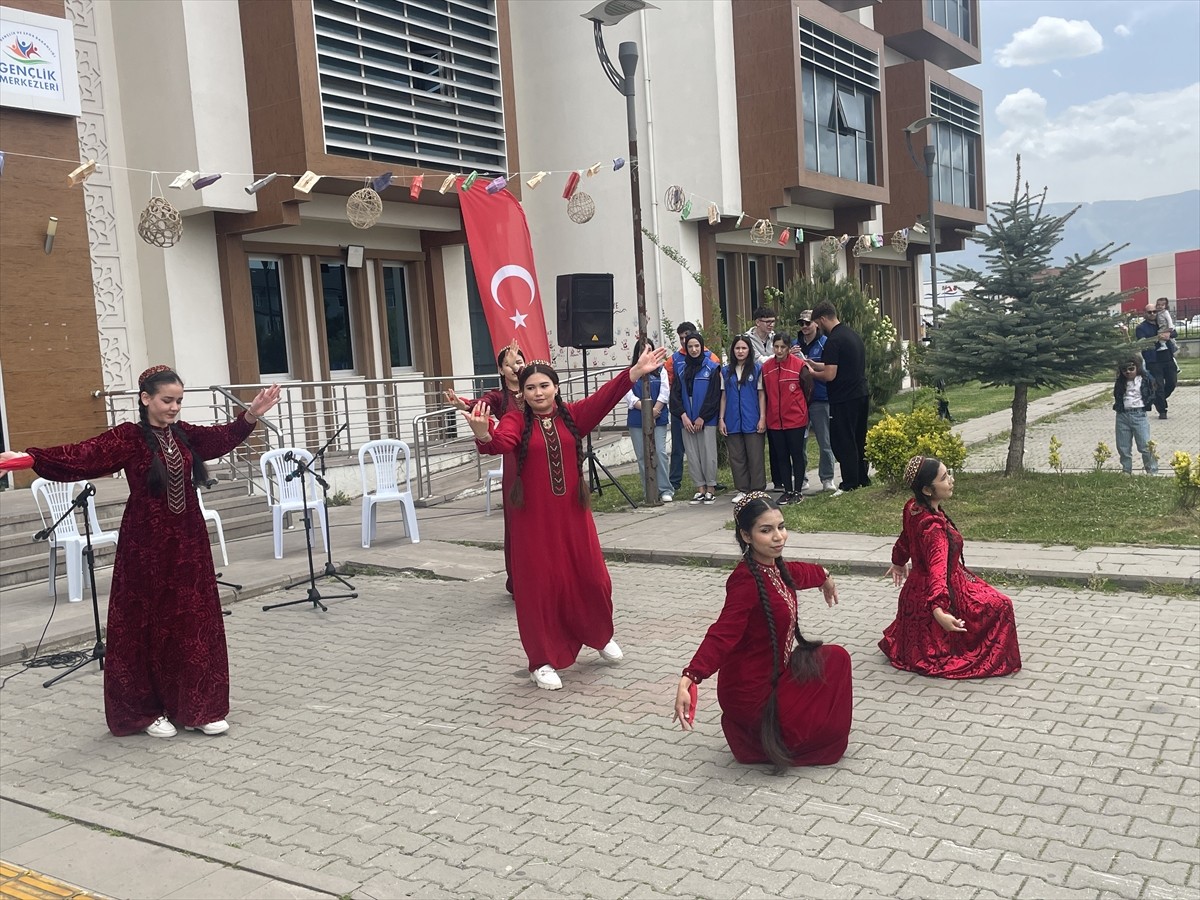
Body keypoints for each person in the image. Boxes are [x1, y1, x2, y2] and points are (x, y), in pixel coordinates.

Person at [0, 366, 281, 737]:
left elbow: (221, 438)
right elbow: (83, 454)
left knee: (192, 621)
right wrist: (32, 459)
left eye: (179, 400)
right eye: (167, 400)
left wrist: (250, 414)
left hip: (188, 542)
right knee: (146, 624)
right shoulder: (129, 438)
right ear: (146, 398)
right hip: (146, 544)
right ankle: (146, 712)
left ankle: (196, 707)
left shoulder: (184, 435)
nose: (174, 407)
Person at [464, 343, 668, 691]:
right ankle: (541, 661)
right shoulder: (515, 419)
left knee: (593, 579)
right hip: (533, 521)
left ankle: (599, 636)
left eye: (544, 385)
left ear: (556, 387)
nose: (537, 393)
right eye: (530, 388)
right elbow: (499, 442)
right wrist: (483, 432)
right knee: (539, 589)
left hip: (574, 516)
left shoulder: (572, 416)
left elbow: (604, 398)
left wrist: (634, 372)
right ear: (523, 393)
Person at [672, 492, 851, 771]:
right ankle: (760, 734)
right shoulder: (745, 581)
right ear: (746, 535)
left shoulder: (773, 568)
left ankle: (766, 734)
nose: (778, 536)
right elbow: (722, 633)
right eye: (766, 530)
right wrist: (690, 677)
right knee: (821, 717)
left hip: (775, 675)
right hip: (750, 693)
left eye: (781, 527)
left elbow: (798, 573)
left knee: (836, 658)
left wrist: (824, 576)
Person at [880, 456, 1022, 679]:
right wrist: (939, 609)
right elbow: (938, 571)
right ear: (927, 489)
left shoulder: (913, 507)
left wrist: (898, 561)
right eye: (945, 478)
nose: (951, 480)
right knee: (1003, 605)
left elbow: (905, 539)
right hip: (943, 590)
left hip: (914, 594)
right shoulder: (935, 530)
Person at [445, 343, 525, 591]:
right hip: (515, 461)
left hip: (540, 457)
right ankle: (519, 581)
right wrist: (464, 403)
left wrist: (518, 365)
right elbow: (481, 404)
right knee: (517, 521)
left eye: (519, 362)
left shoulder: (533, 389)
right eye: (509, 364)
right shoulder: (500, 397)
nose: (515, 367)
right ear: (500, 370)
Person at [807, 301, 870, 493]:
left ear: (823, 319)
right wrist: (815, 364)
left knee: (844, 440)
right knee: (859, 438)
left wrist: (811, 373)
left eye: (817, 322)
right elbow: (836, 365)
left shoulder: (833, 340)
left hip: (843, 398)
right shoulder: (851, 335)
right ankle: (862, 478)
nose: (818, 327)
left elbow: (829, 375)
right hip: (860, 394)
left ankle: (849, 482)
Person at [667, 322, 720, 495]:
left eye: (697, 346)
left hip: (706, 418)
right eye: (690, 346)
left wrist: (702, 417)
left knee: (708, 452)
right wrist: (683, 415)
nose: (694, 349)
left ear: (702, 346)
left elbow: (714, 395)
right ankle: (700, 487)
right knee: (692, 453)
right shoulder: (681, 369)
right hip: (687, 419)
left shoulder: (711, 366)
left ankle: (711, 487)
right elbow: (674, 395)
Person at [761, 333, 810, 505]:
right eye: (776, 347)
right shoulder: (766, 368)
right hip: (775, 420)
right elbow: (764, 393)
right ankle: (787, 490)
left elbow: (807, 390)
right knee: (781, 456)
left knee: (796, 455)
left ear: (789, 348)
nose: (779, 350)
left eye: (783, 347)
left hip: (795, 419)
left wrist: (800, 409)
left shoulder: (799, 366)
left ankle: (798, 490)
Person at [719, 335, 766, 504]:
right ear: (732, 350)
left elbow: (761, 395)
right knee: (736, 457)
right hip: (732, 420)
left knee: (755, 456)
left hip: (752, 418)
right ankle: (742, 489)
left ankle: (758, 489)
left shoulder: (757, 369)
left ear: (749, 350)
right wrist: (721, 419)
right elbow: (723, 396)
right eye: (737, 348)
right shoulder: (725, 371)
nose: (740, 351)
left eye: (744, 348)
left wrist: (762, 418)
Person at [624, 338, 672, 502]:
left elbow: (665, 392)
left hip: (658, 417)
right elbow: (629, 396)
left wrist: (655, 410)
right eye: (643, 350)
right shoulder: (631, 372)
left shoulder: (661, 370)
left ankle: (665, 489)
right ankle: (649, 491)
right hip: (638, 418)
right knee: (643, 456)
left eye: (650, 350)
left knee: (659, 452)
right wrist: (646, 410)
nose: (647, 353)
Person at [797, 310, 836, 492]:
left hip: (821, 399)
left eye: (808, 323)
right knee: (799, 442)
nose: (804, 327)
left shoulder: (825, 343)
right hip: (800, 400)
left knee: (825, 440)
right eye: (801, 324)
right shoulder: (795, 344)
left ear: (816, 324)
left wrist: (810, 364)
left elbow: (830, 368)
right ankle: (801, 477)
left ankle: (827, 478)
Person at [1112, 357, 1158, 475]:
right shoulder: (1121, 382)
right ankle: (1126, 470)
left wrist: (1147, 404)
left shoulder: (1145, 379)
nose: (1128, 372)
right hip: (1122, 415)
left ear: (1137, 368)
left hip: (1139, 414)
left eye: (1131, 369)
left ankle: (1152, 470)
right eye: (1124, 370)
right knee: (1123, 445)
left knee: (1145, 445)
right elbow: (1117, 395)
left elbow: (1153, 391)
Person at [1136, 304, 1177, 419]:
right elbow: (1142, 342)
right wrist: (1157, 338)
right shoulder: (1141, 327)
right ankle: (1162, 410)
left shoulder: (1162, 322)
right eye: (1150, 312)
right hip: (1153, 359)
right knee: (1159, 386)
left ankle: (1158, 399)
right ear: (1145, 314)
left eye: (1154, 312)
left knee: (1172, 382)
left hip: (1167, 357)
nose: (1153, 314)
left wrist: (1168, 335)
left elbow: (1175, 333)